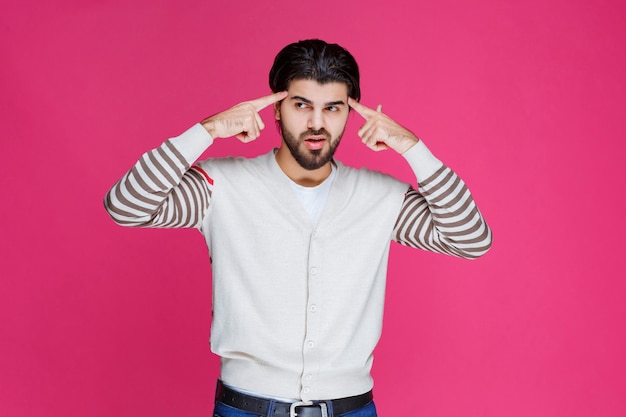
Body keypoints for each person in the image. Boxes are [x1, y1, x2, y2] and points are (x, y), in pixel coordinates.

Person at [104, 39, 492, 417]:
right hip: (246, 408)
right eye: (301, 105)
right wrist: (207, 130)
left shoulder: (381, 198)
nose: (316, 123)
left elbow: (471, 239)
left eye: (333, 108)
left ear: (350, 113)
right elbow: (126, 206)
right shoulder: (220, 188)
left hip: (351, 408)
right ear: (276, 107)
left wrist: (412, 148)